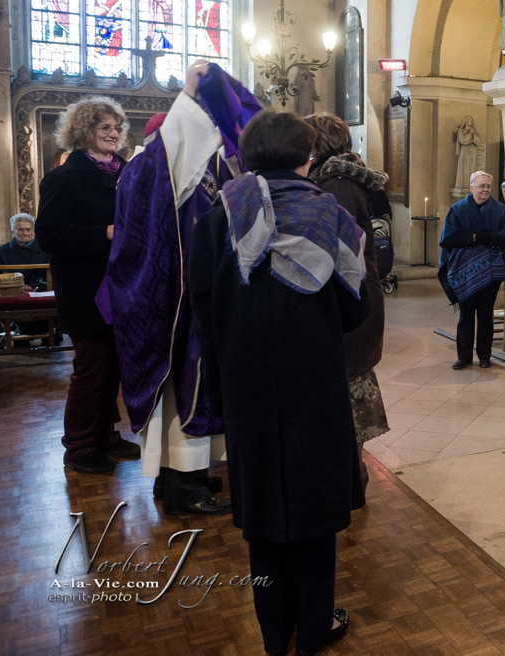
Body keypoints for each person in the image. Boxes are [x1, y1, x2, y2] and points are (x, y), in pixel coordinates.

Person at [188, 110, 367, 656]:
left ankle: (273, 633)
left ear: (247, 154)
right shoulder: (328, 213)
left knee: (263, 512)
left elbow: (201, 299)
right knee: (314, 515)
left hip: (246, 381)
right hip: (313, 380)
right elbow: (354, 307)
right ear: (305, 157)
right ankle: (314, 630)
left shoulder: (221, 214)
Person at [98, 61, 248, 515]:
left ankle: (180, 477)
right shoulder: (153, 170)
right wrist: (192, 92)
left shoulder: (189, 172)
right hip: (172, 303)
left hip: (189, 301)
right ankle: (185, 484)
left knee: (190, 389)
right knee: (186, 390)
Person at [36, 96, 141, 474]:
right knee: (91, 368)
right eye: (104, 128)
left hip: (122, 287)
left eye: (116, 128)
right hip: (85, 290)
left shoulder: (125, 173)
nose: (113, 134)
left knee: (113, 365)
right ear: (85, 132)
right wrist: (105, 233)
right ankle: (80, 446)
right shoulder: (64, 177)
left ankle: (107, 436)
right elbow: (48, 236)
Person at [306, 113, 390, 461]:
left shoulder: (337, 185)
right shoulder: (335, 179)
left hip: (352, 306)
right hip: (354, 302)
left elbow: (343, 257)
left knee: (347, 405)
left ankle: (350, 482)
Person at [438, 171, 505, 369]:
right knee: (466, 315)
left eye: (488, 187)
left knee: (485, 315)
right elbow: (447, 239)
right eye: (481, 186)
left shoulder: (499, 210)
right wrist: (473, 238)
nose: (485, 190)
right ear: (472, 187)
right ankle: (464, 357)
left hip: (490, 274)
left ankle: (484, 356)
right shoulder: (457, 210)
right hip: (464, 273)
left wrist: (491, 236)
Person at [0, 213, 50, 291]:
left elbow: (49, 276)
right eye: (20, 229)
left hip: (39, 291)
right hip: (10, 292)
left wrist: (33, 287)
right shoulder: (2, 251)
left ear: (33, 231)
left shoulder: (44, 250)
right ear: (12, 231)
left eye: (28, 229)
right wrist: (16, 287)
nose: (25, 233)